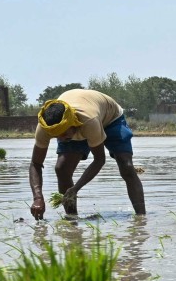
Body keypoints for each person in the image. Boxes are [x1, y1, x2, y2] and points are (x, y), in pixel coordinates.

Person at [29, 89, 146, 219]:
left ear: (72, 123)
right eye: (56, 136)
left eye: (63, 134)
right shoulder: (45, 128)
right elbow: (35, 163)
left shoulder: (89, 121)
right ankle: (72, 219)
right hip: (82, 120)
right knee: (62, 168)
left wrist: (75, 188)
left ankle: (141, 218)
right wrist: (38, 197)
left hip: (110, 118)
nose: (61, 139)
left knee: (126, 166)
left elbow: (99, 160)